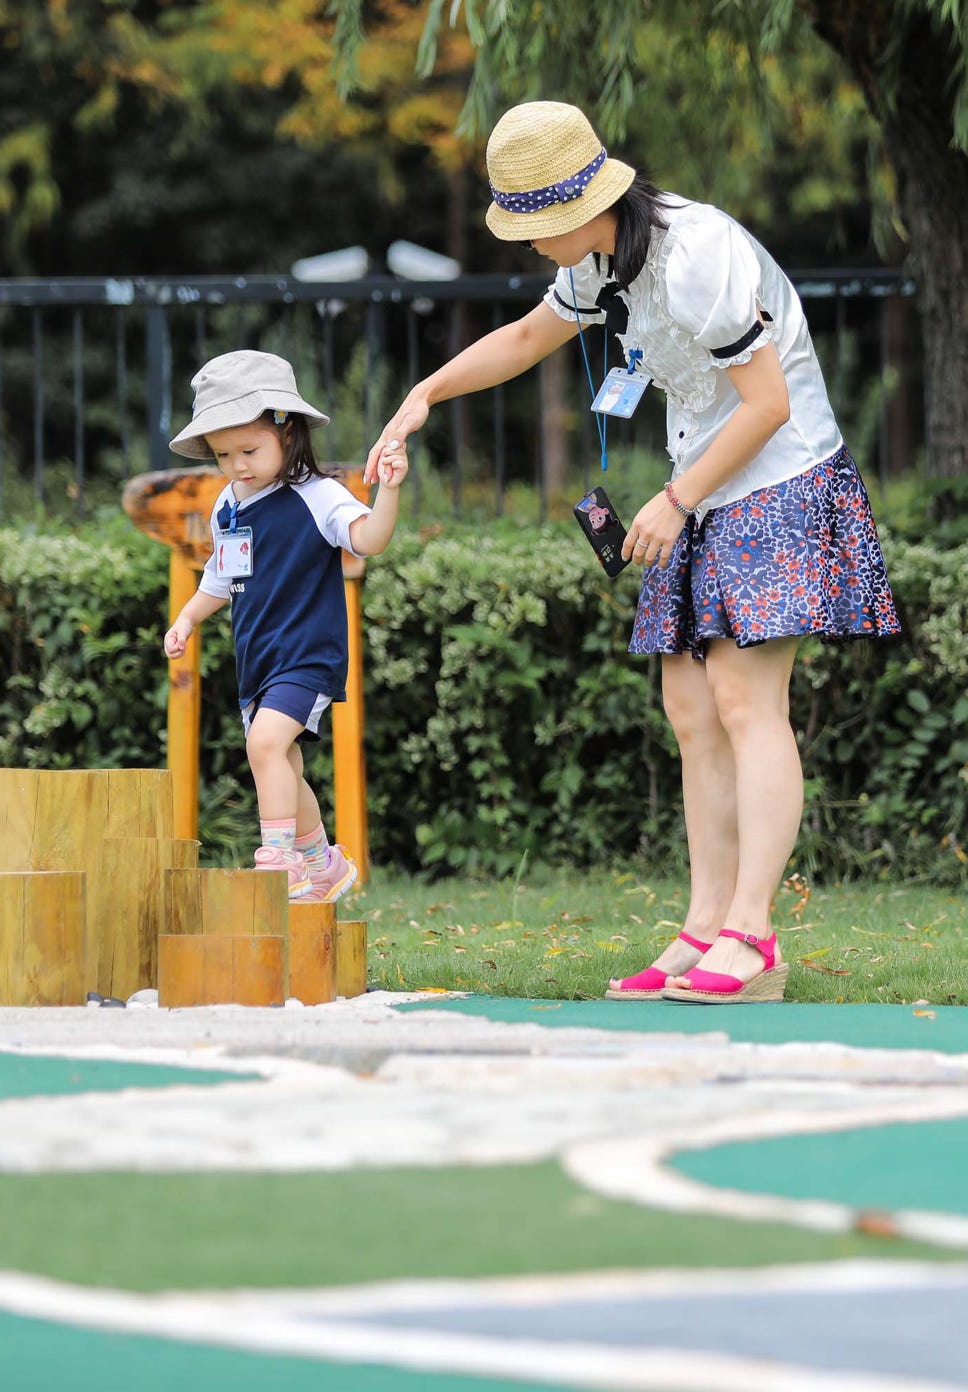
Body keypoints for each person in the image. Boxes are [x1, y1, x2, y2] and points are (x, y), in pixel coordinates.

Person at [366, 101, 900, 1002]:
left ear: (581, 209)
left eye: (537, 227)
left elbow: (768, 404)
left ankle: (754, 935)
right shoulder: (605, 261)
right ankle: (702, 929)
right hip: (701, 481)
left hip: (780, 477)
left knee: (745, 698)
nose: (532, 245)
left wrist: (675, 498)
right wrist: (426, 392)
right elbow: (531, 337)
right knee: (689, 706)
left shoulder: (695, 257)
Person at [163, 350, 407, 902]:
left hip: (306, 654)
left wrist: (389, 490)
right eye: (224, 455)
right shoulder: (228, 504)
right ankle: (323, 862)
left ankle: (279, 859)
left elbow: (369, 540)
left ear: (287, 432)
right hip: (258, 659)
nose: (237, 466)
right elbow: (220, 580)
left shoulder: (317, 495)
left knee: (266, 744)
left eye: (249, 450)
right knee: (284, 762)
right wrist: (187, 618)